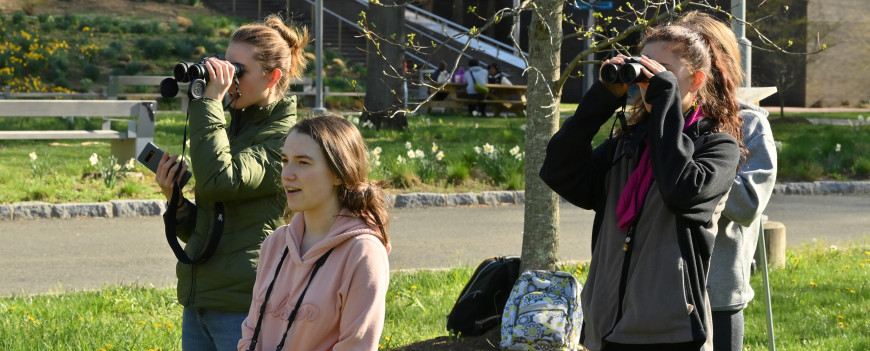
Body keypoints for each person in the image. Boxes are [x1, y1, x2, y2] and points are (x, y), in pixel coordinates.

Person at [539, 16, 746, 351]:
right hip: (608, 325)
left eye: (662, 70)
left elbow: (681, 190)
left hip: (671, 331)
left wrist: (664, 101)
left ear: (696, 80)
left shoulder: (717, 147)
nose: (650, 79)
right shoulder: (628, 145)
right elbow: (558, 171)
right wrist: (601, 100)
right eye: (643, 67)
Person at [154, 14, 309, 351]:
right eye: (225, 66)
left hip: (245, 306)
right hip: (202, 301)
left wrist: (209, 103)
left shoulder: (286, 141)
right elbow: (218, 225)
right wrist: (177, 203)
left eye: (238, 71)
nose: (227, 80)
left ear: (273, 76)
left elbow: (219, 182)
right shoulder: (233, 129)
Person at [237, 115, 391, 350]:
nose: (287, 174)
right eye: (285, 160)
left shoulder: (363, 253)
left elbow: (355, 346)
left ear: (339, 174)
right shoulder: (275, 244)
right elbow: (250, 333)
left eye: (303, 162)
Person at [674, 11, 778, 351]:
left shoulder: (749, 124)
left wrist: (699, 167)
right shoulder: (659, 121)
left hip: (717, 290)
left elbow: (748, 206)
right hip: (661, 290)